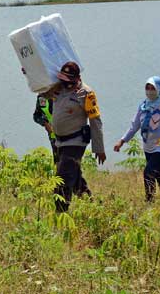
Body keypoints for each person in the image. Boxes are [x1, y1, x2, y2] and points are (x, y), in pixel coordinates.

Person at [50, 61, 106, 212]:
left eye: (68, 80)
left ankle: (60, 214)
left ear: (77, 79)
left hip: (75, 143)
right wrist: (29, 71)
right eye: (63, 79)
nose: (65, 83)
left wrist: (99, 148)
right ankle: (93, 207)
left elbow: (95, 121)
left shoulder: (86, 94)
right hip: (60, 143)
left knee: (62, 180)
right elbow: (40, 87)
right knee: (75, 180)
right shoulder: (57, 89)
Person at [114, 76, 160, 201]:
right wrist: (122, 141)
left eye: (152, 88)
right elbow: (134, 126)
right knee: (159, 173)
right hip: (148, 147)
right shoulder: (143, 106)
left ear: (159, 89)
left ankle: (150, 201)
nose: (149, 91)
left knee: (148, 172)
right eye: (147, 88)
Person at [32, 88, 58, 164]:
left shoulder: (61, 95)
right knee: (57, 161)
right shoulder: (41, 98)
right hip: (53, 136)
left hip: (66, 135)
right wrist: (45, 124)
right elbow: (36, 116)